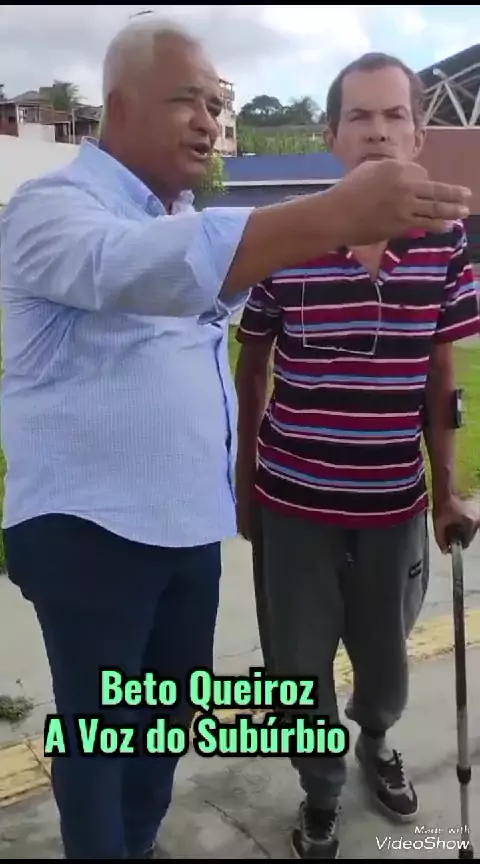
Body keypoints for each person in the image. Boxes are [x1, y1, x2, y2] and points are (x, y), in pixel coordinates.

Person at [0, 15, 473, 857]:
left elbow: (207, 310)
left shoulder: (187, 215)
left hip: (187, 528)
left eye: (217, 105)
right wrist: (332, 216)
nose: (210, 122)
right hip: (93, 533)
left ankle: (137, 840)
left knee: (169, 714)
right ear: (119, 105)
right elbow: (137, 267)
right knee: (102, 727)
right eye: (188, 100)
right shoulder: (53, 208)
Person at [235, 52, 480, 860]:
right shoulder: (290, 236)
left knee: (385, 661)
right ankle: (320, 790)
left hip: (392, 506)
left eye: (394, 115)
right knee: (297, 666)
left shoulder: (445, 241)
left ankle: (375, 740)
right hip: (293, 503)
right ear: (332, 134)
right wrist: (244, 482)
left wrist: (448, 491)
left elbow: (442, 375)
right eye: (360, 116)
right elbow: (253, 363)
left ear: (417, 134)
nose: (378, 131)